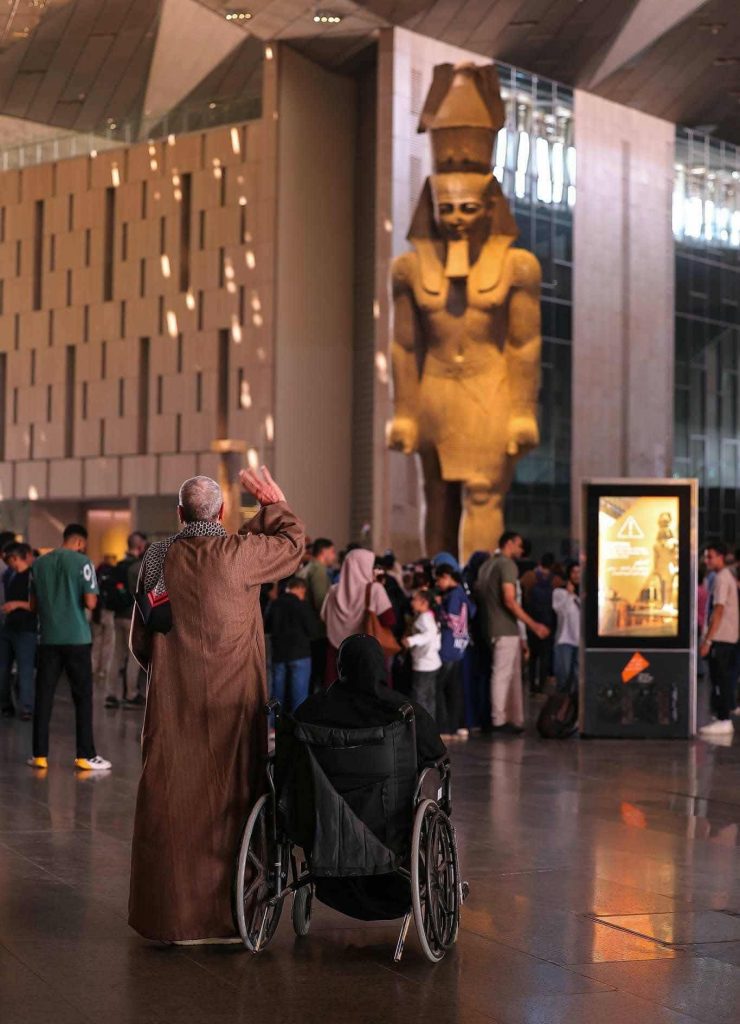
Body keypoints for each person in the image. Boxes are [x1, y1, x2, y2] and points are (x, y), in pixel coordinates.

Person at [128, 467, 304, 944]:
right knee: (233, 800)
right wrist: (275, 505)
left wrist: (170, 671)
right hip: (234, 708)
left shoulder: (158, 556)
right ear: (222, 511)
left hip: (173, 707)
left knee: (172, 802)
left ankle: (171, 920)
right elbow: (291, 545)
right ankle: (232, 915)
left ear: (179, 513)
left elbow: (141, 640)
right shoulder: (240, 555)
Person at [295, 633, 446, 922]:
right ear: (380, 666)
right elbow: (437, 756)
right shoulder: (403, 712)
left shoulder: (310, 711)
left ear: (341, 667)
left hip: (324, 833)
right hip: (389, 836)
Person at [28, 523, 110, 771]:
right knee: (82, 697)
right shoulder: (83, 563)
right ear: (80, 542)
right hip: (77, 639)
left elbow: (33, 606)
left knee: (43, 697)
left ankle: (39, 755)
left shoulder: (39, 564)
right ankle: (85, 755)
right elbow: (91, 602)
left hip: (48, 639)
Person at [477, 531, 550, 734]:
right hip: (505, 628)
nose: (521, 549)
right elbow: (509, 600)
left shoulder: (486, 565)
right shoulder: (507, 565)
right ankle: (499, 719)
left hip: (489, 627)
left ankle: (506, 717)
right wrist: (534, 625)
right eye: (518, 545)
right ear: (509, 543)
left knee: (504, 674)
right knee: (502, 675)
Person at [321, 548, 395, 684]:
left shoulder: (333, 591)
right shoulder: (375, 589)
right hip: (366, 654)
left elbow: (323, 616)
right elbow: (389, 620)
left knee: (340, 693)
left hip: (337, 653)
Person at [699, 540, 739, 737]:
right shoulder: (727, 576)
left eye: (710, 556)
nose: (707, 560)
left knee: (719, 678)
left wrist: (708, 640)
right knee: (722, 678)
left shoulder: (722, 578)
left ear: (720, 557)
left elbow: (719, 609)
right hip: (728, 637)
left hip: (721, 637)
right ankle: (722, 716)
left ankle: (723, 719)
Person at [107, 531, 148, 709]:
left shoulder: (118, 566)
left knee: (117, 655)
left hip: (117, 616)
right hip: (132, 616)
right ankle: (131, 694)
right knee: (133, 656)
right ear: (139, 546)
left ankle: (111, 694)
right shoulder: (138, 567)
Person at [434, 563, 475, 740]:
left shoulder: (452, 596)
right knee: (455, 688)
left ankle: (444, 727)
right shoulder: (463, 594)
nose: (438, 584)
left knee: (439, 687)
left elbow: (451, 620)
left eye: (439, 579)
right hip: (459, 646)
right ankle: (459, 725)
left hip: (448, 645)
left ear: (447, 577)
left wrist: (438, 607)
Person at [265, 576, 316, 713]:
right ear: (300, 588)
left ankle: (274, 724)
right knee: (299, 700)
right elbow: (313, 630)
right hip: (300, 655)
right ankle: (296, 724)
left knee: (276, 698)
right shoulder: (302, 605)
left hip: (278, 655)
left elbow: (267, 627)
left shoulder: (274, 604)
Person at [0, 542, 36, 720]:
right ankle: (5, 704)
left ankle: (26, 707)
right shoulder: (9, 576)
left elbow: (37, 605)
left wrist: (16, 605)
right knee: (3, 669)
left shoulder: (32, 577)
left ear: (15, 558)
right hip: (8, 627)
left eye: (9, 561)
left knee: (25, 669)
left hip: (25, 629)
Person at [300, 538, 336, 691]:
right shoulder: (318, 571)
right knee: (317, 675)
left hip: (306, 629)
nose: (334, 556)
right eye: (332, 552)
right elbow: (321, 603)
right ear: (323, 552)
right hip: (317, 630)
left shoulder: (307, 568)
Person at [403, 588, 441, 718]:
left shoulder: (424, 618)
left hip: (424, 663)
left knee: (420, 698)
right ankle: (431, 724)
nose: (412, 602)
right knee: (429, 697)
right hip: (432, 662)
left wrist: (411, 640)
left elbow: (428, 634)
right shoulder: (429, 615)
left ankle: (423, 725)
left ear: (424, 602)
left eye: (415, 600)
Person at [522, 552, 556, 693]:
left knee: (533, 656)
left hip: (531, 621)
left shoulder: (529, 577)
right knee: (545, 656)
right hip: (547, 622)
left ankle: (531, 685)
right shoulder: (555, 580)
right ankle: (542, 685)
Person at [552, 561, 580, 695]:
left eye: (579, 572)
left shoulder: (585, 593)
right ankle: (562, 701)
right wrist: (569, 595)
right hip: (565, 639)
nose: (576, 575)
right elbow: (560, 610)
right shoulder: (559, 592)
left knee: (577, 676)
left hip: (580, 640)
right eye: (574, 572)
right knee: (564, 674)